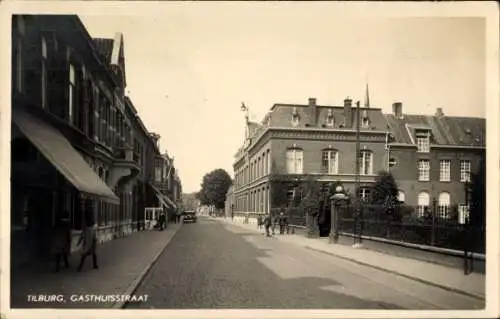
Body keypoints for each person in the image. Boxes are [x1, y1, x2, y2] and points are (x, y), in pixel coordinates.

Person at [77, 204, 98, 272]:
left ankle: (80, 267)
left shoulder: (86, 227)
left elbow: (83, 234)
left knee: (85, 254)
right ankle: (94, 265)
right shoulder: (92, 226)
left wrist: (79, 241)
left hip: (88, 241)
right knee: (92, 253)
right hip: (91, 241)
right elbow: (94, 235)